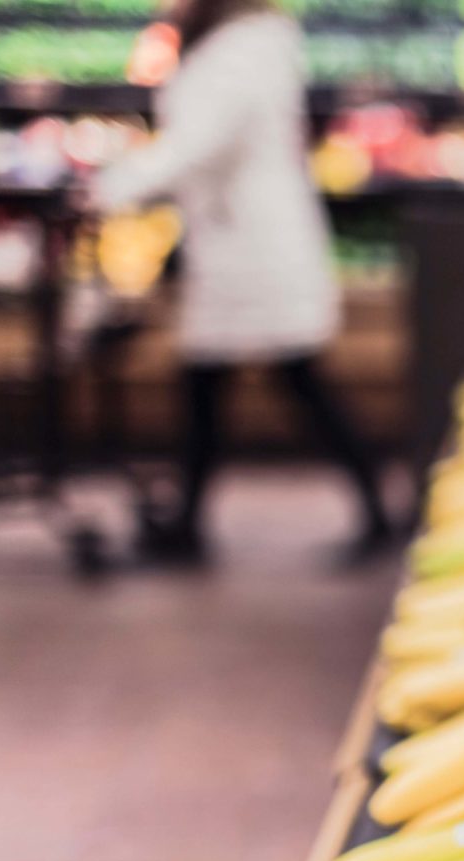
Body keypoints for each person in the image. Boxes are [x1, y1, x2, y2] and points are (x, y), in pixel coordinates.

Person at [91, 0, 394, 563]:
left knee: (290, 378)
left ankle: (374, 509)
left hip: (255, 244)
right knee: (214, 382)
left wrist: (112, 185)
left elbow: (201, 142)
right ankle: (190, 524)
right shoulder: (241, 42)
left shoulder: (245, 47)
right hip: (235, 240)